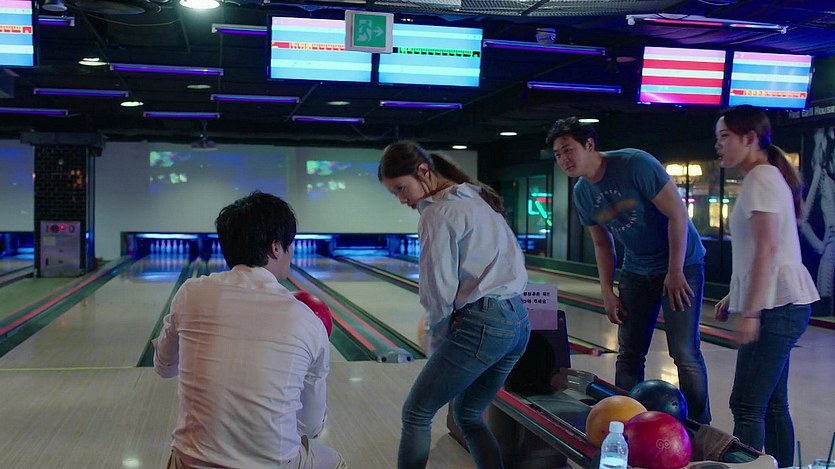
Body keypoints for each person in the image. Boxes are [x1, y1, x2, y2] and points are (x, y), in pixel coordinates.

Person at [153, 191, 345, 469]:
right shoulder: (307, 320)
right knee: (335, 461)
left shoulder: (190, 293)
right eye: (290, 244)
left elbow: (164, 368)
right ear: (276, 247)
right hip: (274, 464)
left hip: (191, 462)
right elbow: (311, 427)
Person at [547, 117, 712, 424]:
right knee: (629, 352)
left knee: (684, 352)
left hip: (683, 263)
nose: (563, 159)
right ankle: (626, 421)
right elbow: (602, 244)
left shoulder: (635, 164)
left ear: (589, 145)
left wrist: (675, 271)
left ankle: (700, 427)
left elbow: (677, 214)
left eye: (568, 149)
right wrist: (607, 291)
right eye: (558, 154)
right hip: (637, 268)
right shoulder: (582, 192)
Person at [378, 141, 530, 469]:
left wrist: (437, 337)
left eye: (401, 188)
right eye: (394, 193)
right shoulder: (476, 195)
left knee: (416, 412)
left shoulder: (436, 214)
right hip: (518, 322)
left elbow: (438, 290)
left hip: (484, 325)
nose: (402, 199)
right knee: (468, 415)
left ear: (423, 172)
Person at [712, 105, 819, 467]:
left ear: (749, 138)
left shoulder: (760, 178)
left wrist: (751, 311)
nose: (718, 145)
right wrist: (736, 294)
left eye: (724, 136)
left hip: (777, 307)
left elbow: (768, 248)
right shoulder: (766, 176)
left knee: (746, 404)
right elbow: (764, 249)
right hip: (784, 304)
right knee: (772, 404)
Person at [800, 126, 835, 316]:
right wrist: (820, 246)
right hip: (830, 254)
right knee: (826, 305)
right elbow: (803, 218)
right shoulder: (821, 177)